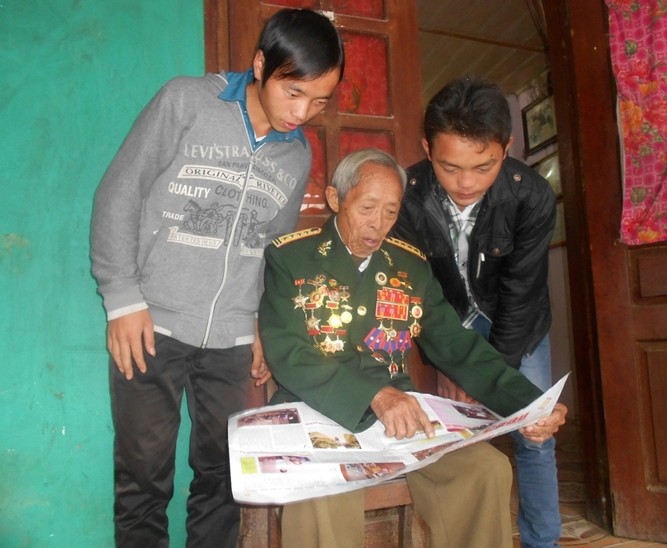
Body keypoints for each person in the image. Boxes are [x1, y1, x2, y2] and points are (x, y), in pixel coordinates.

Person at [90, 8, 344, 547]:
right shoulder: (186, 101)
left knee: (225, 480)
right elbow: (120, 191)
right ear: (260, 65)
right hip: (150, 324)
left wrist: (259, 325)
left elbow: (272, 248)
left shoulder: (296, 154)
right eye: (293, 92)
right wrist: (121, 297)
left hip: (231, 341)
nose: (303, 113)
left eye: (319, 101)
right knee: (143, 477)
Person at [258, 148, 567, 548]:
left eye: (390, 212)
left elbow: (457, 347)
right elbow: (289, 354)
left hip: (398, 424)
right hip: (320, 412)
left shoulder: (410, 267)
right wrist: (375, 395)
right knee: (321, 494)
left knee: (485, 470)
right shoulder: (291, 258)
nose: (378, 225)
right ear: (336, 200)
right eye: (368, 207)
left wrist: (528, 405)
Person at [391, 77, 561, 548]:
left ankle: (541, 542)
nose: (466, 183)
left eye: (483, 167)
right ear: (427, 149)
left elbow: (522, 292)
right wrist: (450, 363)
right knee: (459, 437)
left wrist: (489, 378)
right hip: (444, 323)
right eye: (449, 167)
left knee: (534, 429)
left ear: (505, 149)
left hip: (516, 323)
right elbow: (415, 291)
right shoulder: (405, 197)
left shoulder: (532, 197)